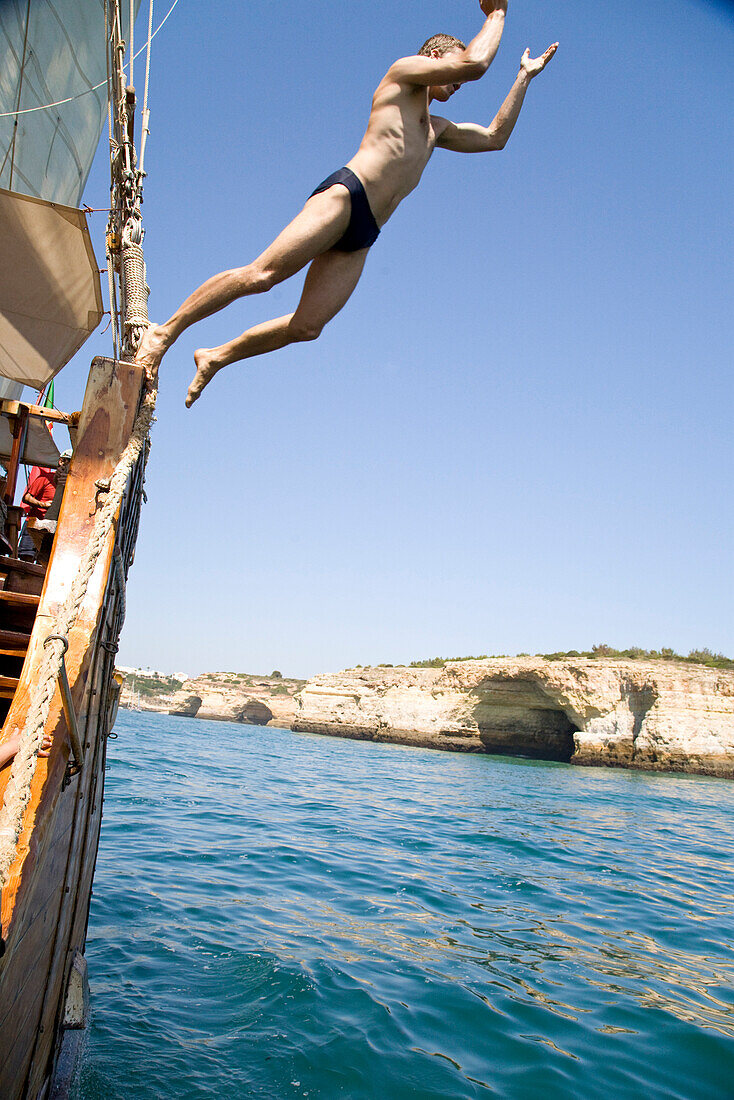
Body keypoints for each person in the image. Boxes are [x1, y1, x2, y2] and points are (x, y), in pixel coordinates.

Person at [135, 0, 557, 406]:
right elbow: (475, 65)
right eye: (452, 67)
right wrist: (498, 13)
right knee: (261, 275)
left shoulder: (438, 129)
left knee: (307, 326)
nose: (459, 82)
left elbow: (495, 138)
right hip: (346, 196)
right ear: (434, 56)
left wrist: (524, 76)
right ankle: (165, 333)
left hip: (365, 233)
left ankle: (215, 356)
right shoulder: (403, 74)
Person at [18, 464, 56, 561]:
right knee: (26, 557)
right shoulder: (45, 478)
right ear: (61, 462)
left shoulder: (71, 485)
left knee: (44, 561)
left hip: (51, 530)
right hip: (34, 524)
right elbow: (26, 498)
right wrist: (42, 505)